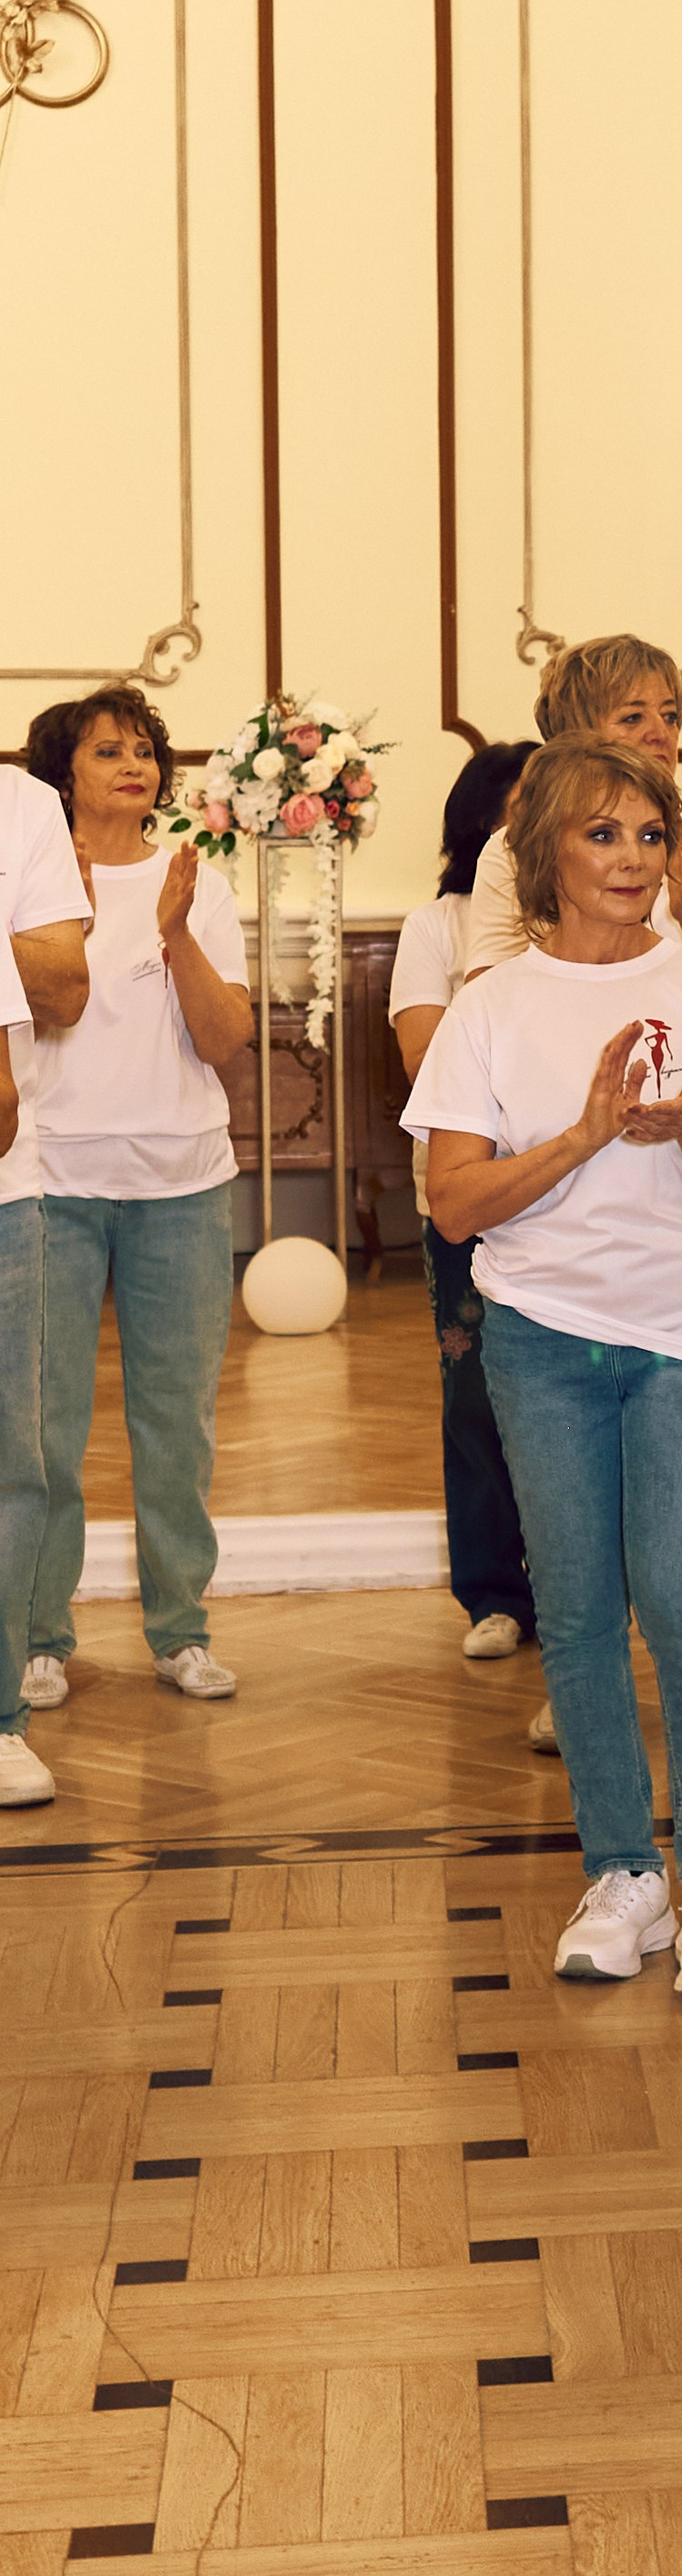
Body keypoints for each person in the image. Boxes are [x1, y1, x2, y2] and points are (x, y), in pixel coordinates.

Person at [405, 737, 682, 1993]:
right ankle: (625, 1874)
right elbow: (454, 1204)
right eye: (602, 833)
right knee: (574, 1611)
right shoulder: (490, 1006)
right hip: (539, 1337)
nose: (632, 859)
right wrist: (584, 1134)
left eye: (650, 834)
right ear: (544, 853)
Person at [464, 633, 682, 1738]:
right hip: (557, 1236)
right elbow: (497, 1006)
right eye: (631, 717)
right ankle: (589, 1677)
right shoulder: (514, 852)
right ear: (574, 736)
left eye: (669, 713)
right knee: (575, 1496)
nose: (659, 733)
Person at [20, 689, 253, 1711]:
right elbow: (42, 1017)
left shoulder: (198, 882)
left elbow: (225, 1039)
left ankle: (181, 1630)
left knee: (176, 1425)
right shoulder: (29, 878)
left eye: (145, 750)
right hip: (52, 1184)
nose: (134, 765)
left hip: (180, 1186)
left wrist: (175, 933)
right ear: (61, 773)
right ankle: (38, 1637)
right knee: (44, 1430)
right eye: (108, 750)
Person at [391, 741, 536, 1660]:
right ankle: (493, 1593)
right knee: (475, 1393)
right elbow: (424, 1058)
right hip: (470, 1192)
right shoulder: (438, 925)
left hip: (574, 1194)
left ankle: (575, 1590)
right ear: (484, 823)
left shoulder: (605, 918)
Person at [0, 758, 90, 1807]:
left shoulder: (20, 805)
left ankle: (0, 1716)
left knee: (10, 1464)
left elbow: (64, 987)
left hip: (3, 1186)